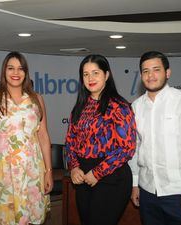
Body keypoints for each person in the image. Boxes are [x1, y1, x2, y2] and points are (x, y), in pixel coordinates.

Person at [0, 51, 53, 225]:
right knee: (5, 219)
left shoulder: (36, 100)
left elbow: (43, 136)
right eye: (11, 68)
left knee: (32, 219)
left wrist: (48, 172)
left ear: (25, 72)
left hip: (32, 171)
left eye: (20, 69)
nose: (15, 73)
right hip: (3, 173)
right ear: (4, 71)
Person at [129, 51, 181, 225]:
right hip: (147, 193)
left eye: (156, 70)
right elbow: (135, 148)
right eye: (145, 71)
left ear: (167, 73)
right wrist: (135, 183)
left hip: (180, 193)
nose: (150, 75)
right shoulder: (136, 107)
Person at [65, 54, 136, 225]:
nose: (90, 78)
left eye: (95, 73)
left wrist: (97, 173)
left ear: (107, 75)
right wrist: (74, 167)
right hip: (83, 176)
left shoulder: (119, 106)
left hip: (112, 176)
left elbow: (127, 148)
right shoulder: (80, 107)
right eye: (85, 74)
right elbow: (70, 141)